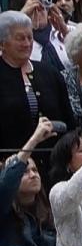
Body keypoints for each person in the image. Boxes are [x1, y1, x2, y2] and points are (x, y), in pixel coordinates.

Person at [0, 10, 75, 171]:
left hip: (54, 165)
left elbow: (69, 120)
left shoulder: (49, 72)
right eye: (20, 38)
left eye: (30, 37)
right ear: (2, 44)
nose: (27, 43)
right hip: (12, 166)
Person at [0, 118, 56, 246]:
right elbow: (6, 185)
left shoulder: (49, 210)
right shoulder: (4, 210)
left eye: (35, 170)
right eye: (24, 171)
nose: (33, 175)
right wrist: (34, 141)